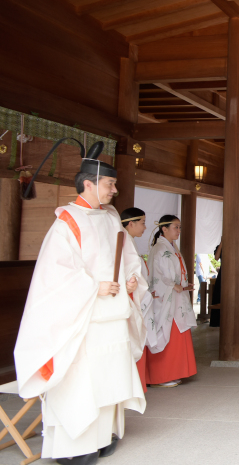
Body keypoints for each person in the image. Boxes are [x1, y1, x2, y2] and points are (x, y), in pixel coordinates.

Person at [14, 140, 148, 464]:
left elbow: (128, 257)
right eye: (109, 184)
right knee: (83, 380)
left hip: (113, 313)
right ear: (89, 183)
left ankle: (105, 437)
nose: (115, 190)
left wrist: (131, 278)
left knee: (109, 379)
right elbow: (55, 273)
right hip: (84, 316)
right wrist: (93, 287)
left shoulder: (111, 217)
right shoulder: (66, 222)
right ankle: (75, 447)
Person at [146, 215, 197, 388]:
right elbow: (156, 276)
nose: (179, 230)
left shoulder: (171, 247)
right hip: (166, 299)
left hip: (175, 297)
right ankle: (161, 376)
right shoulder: (159, 248)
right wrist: (173, 286)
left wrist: (182, 285)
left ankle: (173, 373)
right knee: (166, 333)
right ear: (164, 228)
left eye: (180, 227)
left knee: (177, 334)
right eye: (176, 227)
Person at [121, 207, 155, 394]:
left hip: (136, 296)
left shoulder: (128, 241)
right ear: (130, 224)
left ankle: (135, 388)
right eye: (142, 222)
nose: (145, 227)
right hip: (129, 298)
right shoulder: (122, 241)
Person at [210, 241, 222, 327]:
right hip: (223, 273)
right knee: (218, 296)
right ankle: (216, 322)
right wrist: (222, 243)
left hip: (235, 273)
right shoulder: (220, 246)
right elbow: (216, 258)